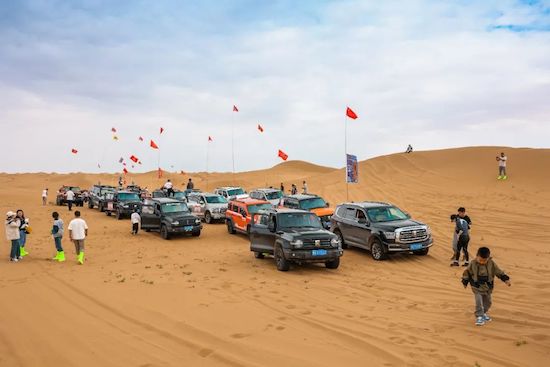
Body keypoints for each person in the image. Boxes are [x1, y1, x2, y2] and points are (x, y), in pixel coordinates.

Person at [462, 247, 511, 326]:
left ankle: (483, 313)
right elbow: (467, 272)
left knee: (488, 302)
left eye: (484, 260)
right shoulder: (473, 263)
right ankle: (479, 316)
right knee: (479, 302)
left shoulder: (491, 263)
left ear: (488, 258)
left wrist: (505, 279)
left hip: (487, 287)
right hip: (476, 286)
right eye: (480, 260)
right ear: (477, 256)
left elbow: (498, 271)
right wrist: (465, 281)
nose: (482, 262)